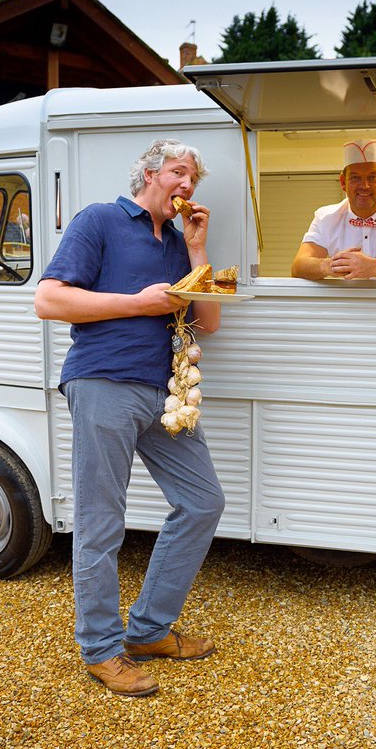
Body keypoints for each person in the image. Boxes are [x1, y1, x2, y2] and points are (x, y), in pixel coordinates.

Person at [34, 138, 226, 698]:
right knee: (101, 519)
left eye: (194, 178)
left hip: (166, 394)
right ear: (148, 173)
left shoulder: (178, 241)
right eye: (178, 173)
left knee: (203, 500)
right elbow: (49, 300)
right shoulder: (99, 220)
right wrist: (137, 303)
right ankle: (100, 649)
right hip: (103, 383)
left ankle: (147, 630)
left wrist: (197, 250)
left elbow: (209, 320)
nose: (187, 185)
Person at [291, 138, 376, 281]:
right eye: (355, 178)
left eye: (372, 177)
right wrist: (332, 265)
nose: (364, 185)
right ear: (343, 183)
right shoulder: (325, 217)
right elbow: (298, 266)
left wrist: (374, 267)